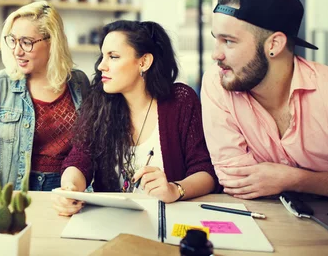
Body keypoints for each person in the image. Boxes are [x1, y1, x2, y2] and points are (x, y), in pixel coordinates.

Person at [202, 0, 328, 200]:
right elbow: (236, 180)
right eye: (216, 40)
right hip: (258, 217)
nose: (215, 54)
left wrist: (295, 179)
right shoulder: (217, 81)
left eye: (228, 41)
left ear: (274, 45)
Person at [54, 20, 219, 216]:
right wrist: (69, 188)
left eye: (113, 57)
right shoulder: (99, 101)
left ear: (144, 62)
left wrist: (175, 189)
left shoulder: (181, 101)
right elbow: (80, 158)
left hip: (169, 219)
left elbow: (205, 171)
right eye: (103, 56)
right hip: (113, 221)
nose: (101, 66)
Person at [0, 1, 90, 191]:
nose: (17, 51)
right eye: (13, 40)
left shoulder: (78, 82)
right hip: (13, 192)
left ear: (52, 42)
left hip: (68, 189)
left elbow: (88, 141)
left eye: (26, 42)